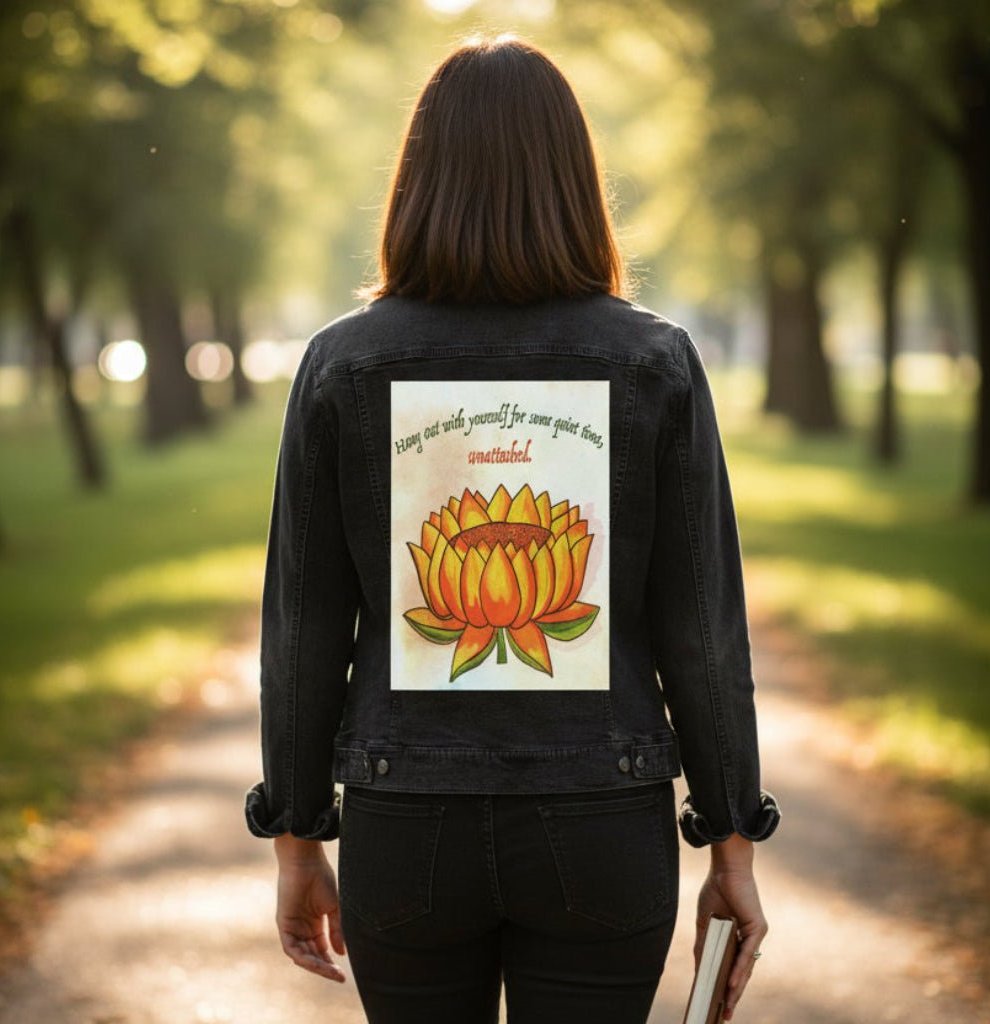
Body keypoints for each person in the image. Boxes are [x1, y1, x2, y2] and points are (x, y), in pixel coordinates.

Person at [245, 35, 780, 1024]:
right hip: (602, 818)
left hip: (404, 826)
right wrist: (731, 844)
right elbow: (702, 630)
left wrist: (297, 839)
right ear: (575, 182)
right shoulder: (651, 361)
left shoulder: (342, 366)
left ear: (415, 182)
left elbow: (303, 627)